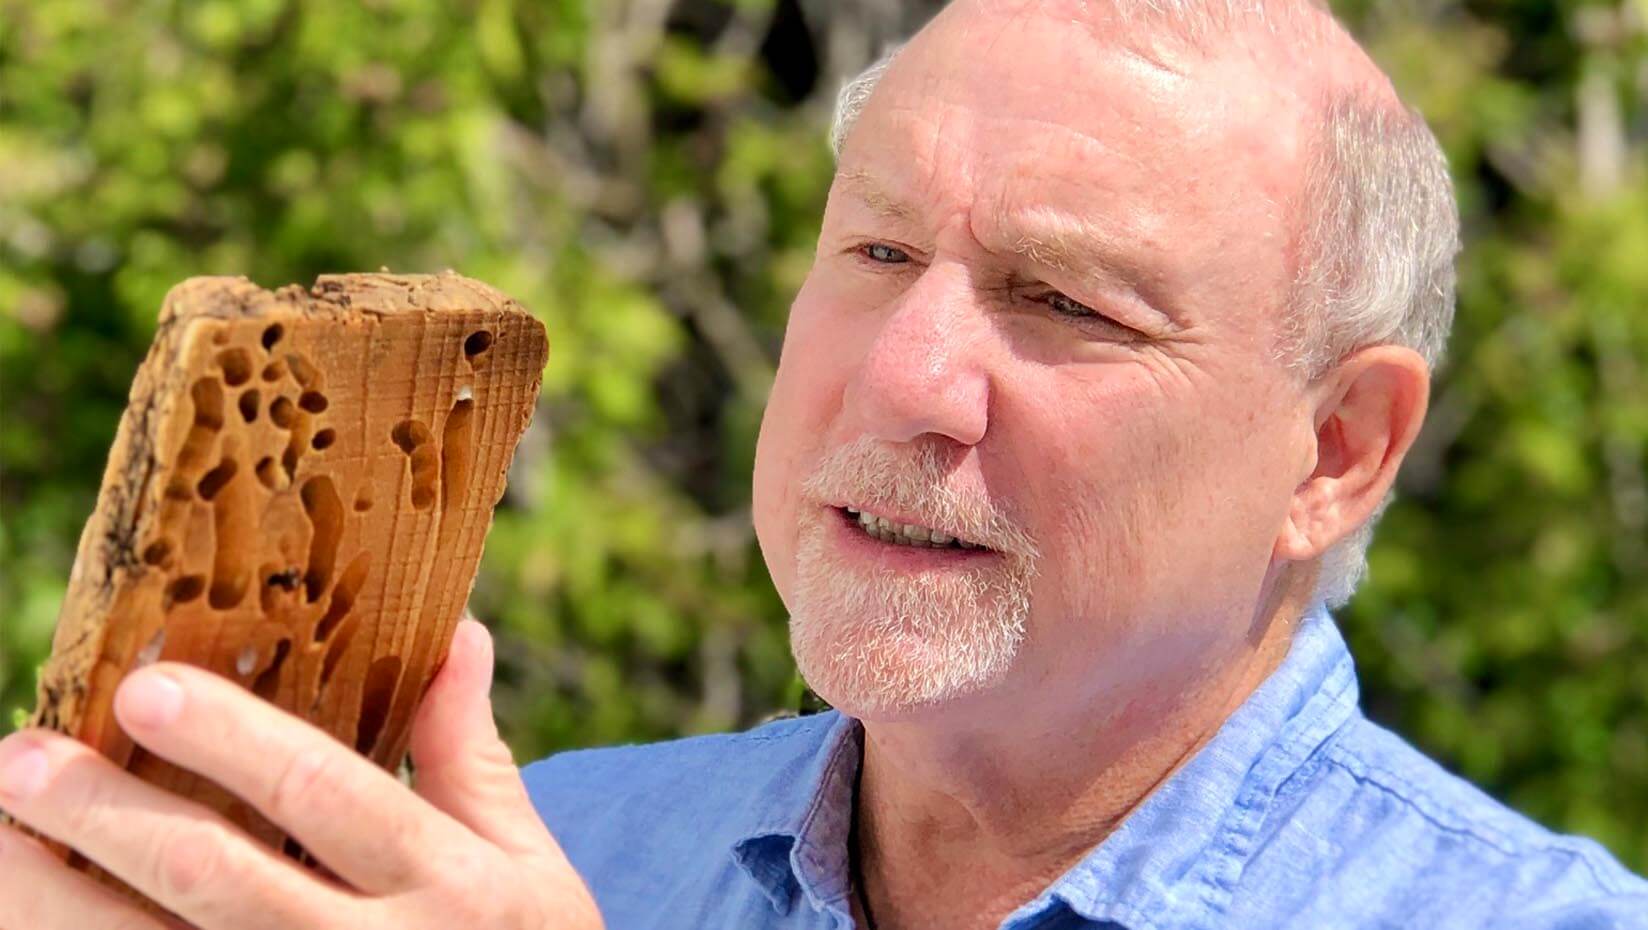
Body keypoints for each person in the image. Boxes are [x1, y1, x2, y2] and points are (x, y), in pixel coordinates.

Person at [0, 1, 1644, 928]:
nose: (908, 376)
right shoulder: (540, 856)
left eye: (1064, 300)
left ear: (1336, 450)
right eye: (873, 253)